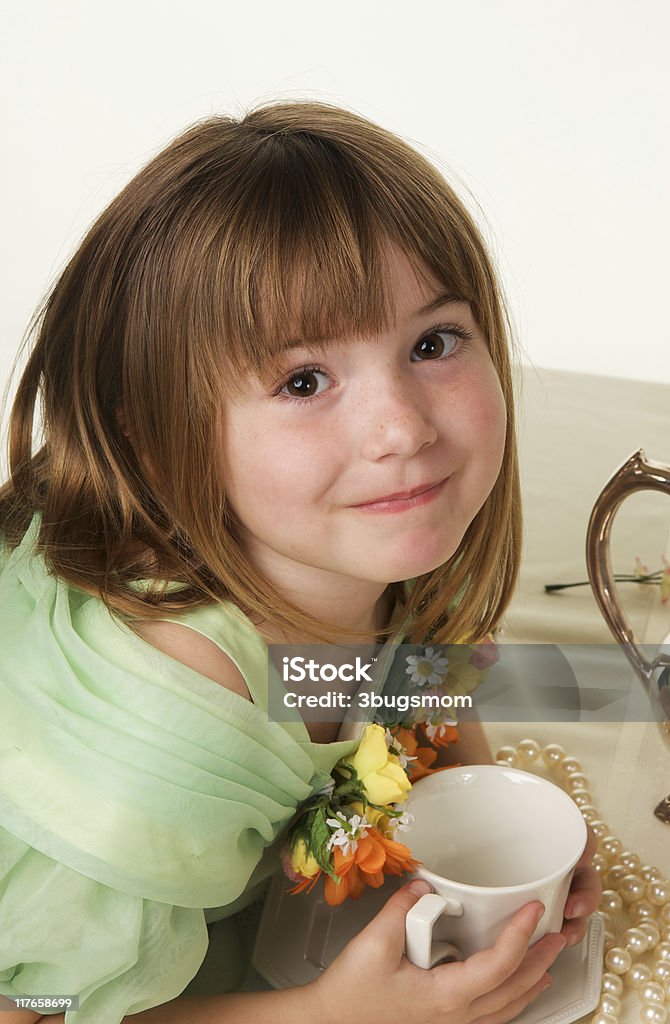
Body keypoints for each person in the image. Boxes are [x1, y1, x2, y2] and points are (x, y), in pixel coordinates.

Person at [0, 101, 600, 1024]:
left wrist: (488, 825)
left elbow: (411, 688)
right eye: (303, 381)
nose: (403, 428)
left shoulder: (370, 539)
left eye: (432, 343)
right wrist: (336, 1014)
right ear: (162, 443)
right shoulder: (159, 750)